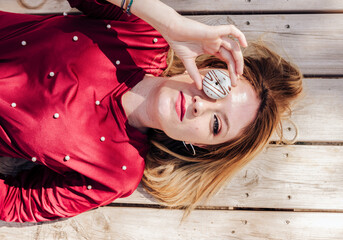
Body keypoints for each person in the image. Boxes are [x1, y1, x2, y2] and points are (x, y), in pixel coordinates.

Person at [0, 0, 303, 222]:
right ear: (207, 66)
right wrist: (169, 22)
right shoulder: (143, 36)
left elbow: (17, 203)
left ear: (200, 145)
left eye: (215, 124)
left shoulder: (118, 173)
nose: (201, 104)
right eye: (217, 87)